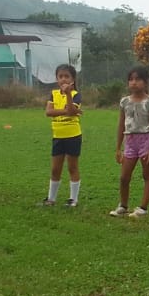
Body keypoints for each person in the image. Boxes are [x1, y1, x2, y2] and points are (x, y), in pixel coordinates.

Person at [110, 66, 149, 218]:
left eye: (138, 79)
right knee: (124, 177)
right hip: (130, 141)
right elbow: (121, 124)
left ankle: (143, 208)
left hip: (145, 140)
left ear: (145, 82)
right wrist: (118, 148)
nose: (134, 82)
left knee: (147, 175)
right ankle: (123, 206)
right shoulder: (124, 102)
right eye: (131, 79)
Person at [43, 63, 82, 207]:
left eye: (67, 76)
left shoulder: (75, 95)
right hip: (58, 136)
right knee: (55, 169)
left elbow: (71, 110)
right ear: (57, 79)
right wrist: (66, 111)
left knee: (72, 167)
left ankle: (73, 199)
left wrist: (68, 97)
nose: (63, 79)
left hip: (73, 135)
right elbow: (48, 112)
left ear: (73, 79)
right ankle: (51, 199)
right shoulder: (53, 94)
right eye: (60, 76)